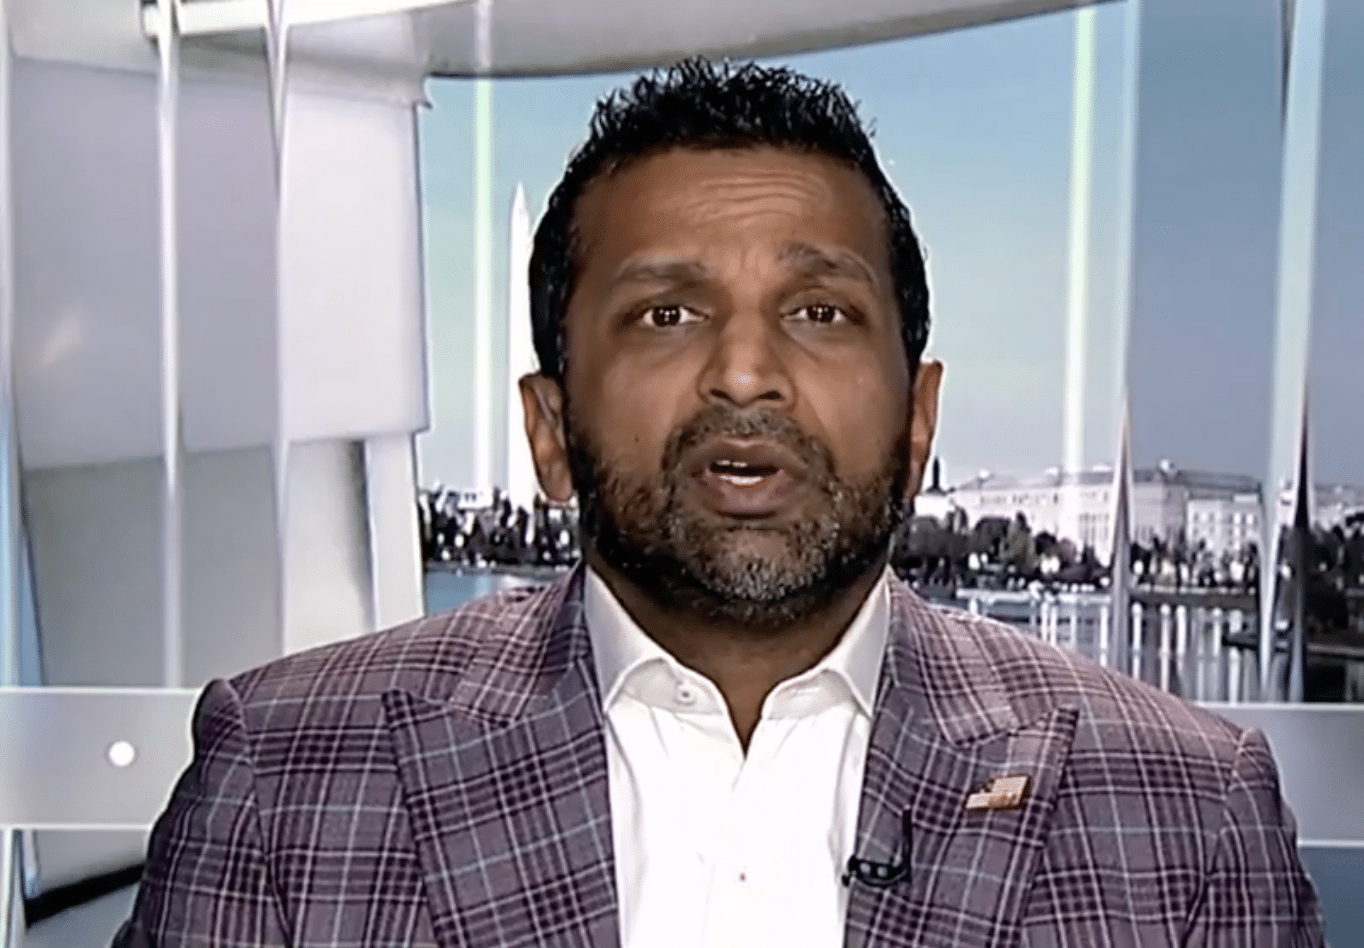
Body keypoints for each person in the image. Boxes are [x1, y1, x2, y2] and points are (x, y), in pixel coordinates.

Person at [113, 58, 1325, 947]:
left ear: (917, 424)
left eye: (818, 312)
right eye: (666, 313)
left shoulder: (1182, 805)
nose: (744, 373)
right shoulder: (286, 777)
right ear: (548, 430)